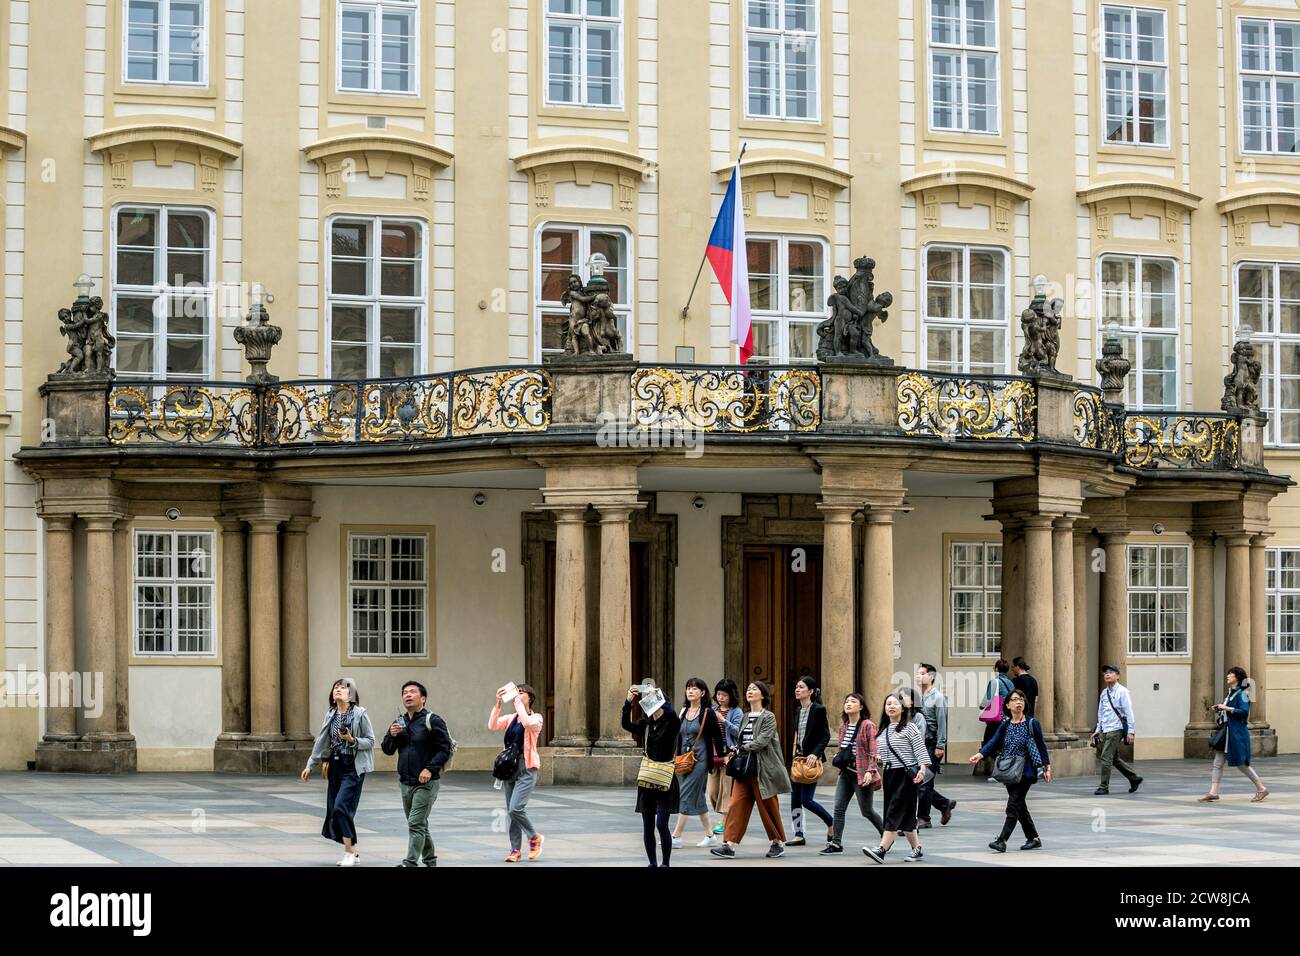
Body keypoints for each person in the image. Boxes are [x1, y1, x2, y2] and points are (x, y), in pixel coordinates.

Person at [710, 680, 790, 860]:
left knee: (768, 807)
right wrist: (735, 749)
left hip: (763, 769)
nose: (750, 692)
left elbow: (763, 740)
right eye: (748, 689)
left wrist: (742, 748)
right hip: (744, 768)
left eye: (754, 689)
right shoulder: (745, 716)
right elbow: (740, 739)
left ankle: (777, 842)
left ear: (763, 695)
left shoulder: (768, 716)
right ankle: (728, 845)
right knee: (735, 805)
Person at [301, 677, 376, 866]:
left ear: (351, 694)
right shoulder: (331, 714)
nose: (338, 690)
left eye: (343, 687)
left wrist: (352, 740)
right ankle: (353, 853)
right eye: (336, 687)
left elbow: (371, 741)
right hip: (335, 765)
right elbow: (322, 741)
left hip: (353, 766)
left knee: (341, 807)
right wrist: (310, 764)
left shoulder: (360, 714)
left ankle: (349, 852)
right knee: (335, 810)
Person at [380, 680, 452, 867]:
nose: (408, 695)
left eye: (412, 692)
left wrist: (430, 768)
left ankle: (410, 863)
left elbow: (444, 749)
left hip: (426, 783)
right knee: (419, 824)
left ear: (423, 698)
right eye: (404, 692)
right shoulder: (399, 722)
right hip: (405, 782)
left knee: (415, 823)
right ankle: (430, 860)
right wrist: (391, 735)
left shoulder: (433, 720)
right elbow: (387, 750)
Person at [969, 688, 1051, 851]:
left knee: (1012, 806)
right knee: (1020, 806)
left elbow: (1041, 746)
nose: (1018, 702)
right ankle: (1033, 838)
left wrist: (1047, 767)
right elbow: (993, 742)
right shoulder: (1005, 724)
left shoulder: (1032, 723)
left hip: (1026, 771)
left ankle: (1002, 840)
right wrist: (980, 754)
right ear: (1007, 704)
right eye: (1014, 699)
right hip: (1009, 770)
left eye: (1021, 699)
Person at [862, 691, 930, 864]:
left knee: (893, 811)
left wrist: (922, 770)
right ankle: (917, 849)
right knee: (906, 815)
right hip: (890, 774)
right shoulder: (882, 730)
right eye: (888, 704)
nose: (891, 707)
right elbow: (882, 755)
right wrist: (878, 761)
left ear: (903, 708)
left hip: (906, 775)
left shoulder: (910, 727)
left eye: (895, 704)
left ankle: (882, 849)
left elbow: (920, 750)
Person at [623, 683, 682, 867]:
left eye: (652, 698)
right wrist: (628, 702)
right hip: (648, 780)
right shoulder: (647, 725)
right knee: (647, 825)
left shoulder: (672, 722)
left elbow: (671, 712)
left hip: (665, 779)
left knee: (661, 824)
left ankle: (665, 863)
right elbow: (625, 724)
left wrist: (655, 693)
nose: (648, 700)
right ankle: (652, 863)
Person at [488, 683, 545, 862]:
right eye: (517, 692)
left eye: (522, 693)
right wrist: (498, 703)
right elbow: (493, 725)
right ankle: (515, 850)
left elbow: (527, 723)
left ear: (530, 697)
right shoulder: (512, 717)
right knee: (511, 811)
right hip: (510, 767)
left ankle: (534, 837)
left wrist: (518, 704)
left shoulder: (537, 718)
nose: (518, 695)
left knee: (515, 808)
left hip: (527, 767)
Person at [821, 692, 883, 854]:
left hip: (862, 774)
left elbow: (873, 750)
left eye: (853, 701)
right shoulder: (843, 726)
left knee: (867, 811)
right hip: (846, 774)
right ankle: (836, 843)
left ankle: (886, 837)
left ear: (861, 706)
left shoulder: (868, 725)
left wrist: (871, 770)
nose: (848, 704)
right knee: (839, 808)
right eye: (846, 701)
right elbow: (843, 748)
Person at [670, 677, 727, 849]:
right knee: (698, 798)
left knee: (685, 794)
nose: (690, 691)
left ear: (702, 693)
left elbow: (717, 736)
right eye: (688, 688)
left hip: (701, 760)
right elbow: (677, 736)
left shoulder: (708, 712)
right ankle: (710, 835)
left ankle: (676, 836)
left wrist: (723, 756)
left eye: (694, 688)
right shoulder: (683, 712)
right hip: (685, 760)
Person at [1200, 667, 1269, 803]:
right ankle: (1213, 792)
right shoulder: (1231, 693)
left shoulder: (1243, 693)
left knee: (1241, 764)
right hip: (1228, 733)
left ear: (1237, 677)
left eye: (1230, 674)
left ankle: (1261, 788)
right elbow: (1231, 712)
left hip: (1236, 734)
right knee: (1218, 763)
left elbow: (1243, 712)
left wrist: (1226, 708)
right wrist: (1220, 709)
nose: (1227, 676)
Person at [787, 675, 833, 847]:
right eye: (797, 687)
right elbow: (798, 735)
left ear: (811, 691)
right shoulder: (799, 710)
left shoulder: (818, 710)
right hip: (798, 760)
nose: (797, 690)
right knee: (794, 799)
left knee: (807, 800)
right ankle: (798, 834)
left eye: (801, 687)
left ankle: (830, 822)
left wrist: (816, 754)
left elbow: (825, 735)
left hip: (811, 761)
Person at [1091, 664, 1142, 795]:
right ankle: (1134, 778)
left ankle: (1103, 786)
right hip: (1105, 729)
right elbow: (1101, 713)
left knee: (1105, 757)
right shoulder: (1104, 693)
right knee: (1114, 759)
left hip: (1116, 728)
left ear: (1118, 676)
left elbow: (1128, 712)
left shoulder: (1123, 691)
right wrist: (1098, 729)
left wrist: (1131, 731)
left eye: (1111, 672)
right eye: (1105, 673)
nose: (1107, 674)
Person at [916, 664, 956, 828]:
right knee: (922, 780)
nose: (918, 676)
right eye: (917, 673)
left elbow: (942, 722)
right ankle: (944, 804)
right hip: (920, 743)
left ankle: (924, 818)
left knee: (925, 781)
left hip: (932, 744)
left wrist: (941, 745)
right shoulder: (919, 696)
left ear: (931, 676)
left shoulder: (938, 697)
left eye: (922, 673)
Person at [708, 679, 744, 837]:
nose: (721, 697)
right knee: (712, 792)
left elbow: (739, 732)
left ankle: (724, 821)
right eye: (719, 694)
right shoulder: (712, 709)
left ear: (731, 695)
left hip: (728, 755)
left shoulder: (737, 712)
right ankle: (727, 816)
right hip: (713, 755)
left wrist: (723, 721)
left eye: (724, 694)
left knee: (726, 792)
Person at [975, 659, 1015, 777]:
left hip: (996, 718)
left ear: (996, 669)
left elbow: (988, 698)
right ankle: (1005, 769)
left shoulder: (995, 682)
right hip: (1007, 717)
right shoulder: (1011, 683)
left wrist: (982, 706)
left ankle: (998, 771)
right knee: (1003, 743)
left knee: (989, 743)